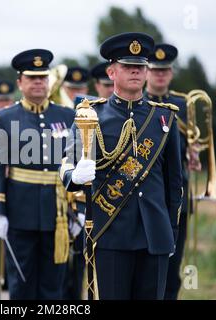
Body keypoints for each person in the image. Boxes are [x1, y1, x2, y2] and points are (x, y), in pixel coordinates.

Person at [60, 33, 183, 299]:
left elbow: (174, 184)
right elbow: (66, 166)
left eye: (140, 66)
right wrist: (75, 175)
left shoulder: (164, 117)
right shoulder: (90, 114)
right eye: (128, 66)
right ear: (112, 71)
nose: (135, 72)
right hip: (110, 233)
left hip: (155, 235)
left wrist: (171, 231)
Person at [0, 49, 75, 299]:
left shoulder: (67, 116)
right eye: (32, 77)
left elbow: (76, 164)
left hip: (57, 215)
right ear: (20, 82)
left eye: (43, 77)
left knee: (52, 286)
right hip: (19, 214)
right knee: (22, 284)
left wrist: (78, 209)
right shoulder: (5, 119)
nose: (38, 82)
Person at [145, 43, 192, 300]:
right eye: (155, 70)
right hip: (149, 191)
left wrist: (195, 156)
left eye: (165, 71)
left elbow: (191, 144)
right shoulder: (139, 103)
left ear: (171, 73)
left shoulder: (183, 104)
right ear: (147, 72)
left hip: (178, 192)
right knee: (149, 262)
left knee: (173, 262)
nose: (160, 75)